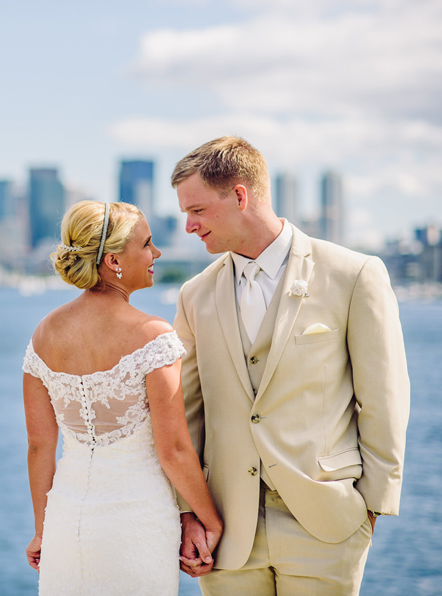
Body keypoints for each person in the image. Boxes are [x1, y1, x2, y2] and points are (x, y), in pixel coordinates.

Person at [170, 136, 407, 594]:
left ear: (239, 196)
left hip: (326, 524)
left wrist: (370, 508)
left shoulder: (353, 274)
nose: (188, 227)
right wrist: (188, 512)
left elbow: (383, 398)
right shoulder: (194, 294)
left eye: (196, 210)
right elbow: (188, 413)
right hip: (226, 531)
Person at [22, 200, 223, 594]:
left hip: (65, 524)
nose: (157, 253)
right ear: (114, 260)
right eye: (147, 244)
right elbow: (175, 450)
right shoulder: (153, 336)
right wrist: (209, 519)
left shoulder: (44, 334)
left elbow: (39, 446)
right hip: (136, 524)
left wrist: (41, 531)